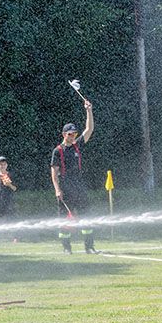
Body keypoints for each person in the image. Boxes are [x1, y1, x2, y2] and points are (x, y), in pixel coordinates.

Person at [50, 98, 97, 254]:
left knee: (86, 217)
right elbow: (54, 173)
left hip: (79, 186)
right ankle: (66, 248)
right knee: (65, 220)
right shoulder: (58, 151)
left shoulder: (78, 145)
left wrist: (89, 110)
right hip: (65, 187)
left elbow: (89, 129)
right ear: (64, 134)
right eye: (70, 134)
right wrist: (57, 190)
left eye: (74, 133)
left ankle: (89, 247)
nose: (73, 136)